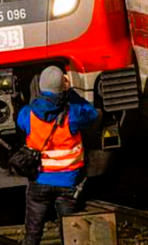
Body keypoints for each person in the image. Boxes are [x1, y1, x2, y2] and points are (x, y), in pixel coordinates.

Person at [17, 65, 100, 245]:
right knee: (72, 236)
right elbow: (92, 114)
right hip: (68, 183)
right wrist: (70, 92)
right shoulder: (73, 114)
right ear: (62, 86)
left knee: (32, 234)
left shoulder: (27, 114)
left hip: (39, 181)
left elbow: (22, 124)